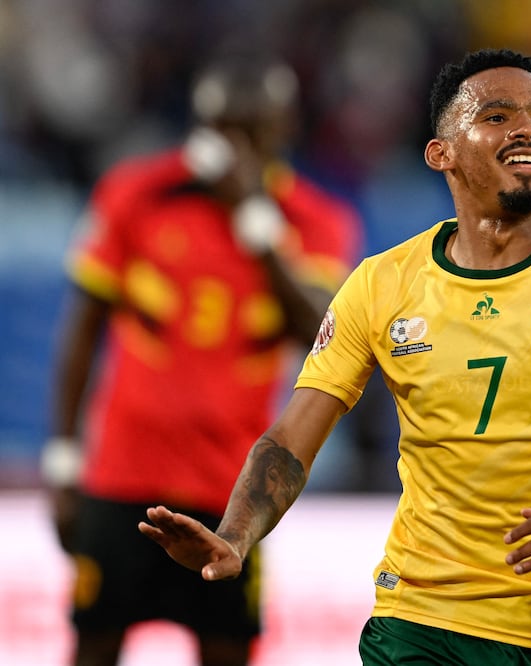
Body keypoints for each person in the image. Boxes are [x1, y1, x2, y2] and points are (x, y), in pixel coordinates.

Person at [137, 48, 531, 664]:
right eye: (497, 115)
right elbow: (292, 439)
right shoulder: (383, 284)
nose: (527, 130)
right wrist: (235, 535)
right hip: (420, 623)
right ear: (443, 154)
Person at [42, 51, 363, 666]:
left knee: (226, 650)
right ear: (199, 125)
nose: (234, 146)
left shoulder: (314, 222)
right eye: (223, 129)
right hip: (121, 479)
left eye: (253, 130)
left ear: (283, 130)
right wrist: (63, 464)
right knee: (93, 646)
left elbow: (319, 330)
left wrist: (254, 220)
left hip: (233, 494)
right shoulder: (136, 194)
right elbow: (82, 331)